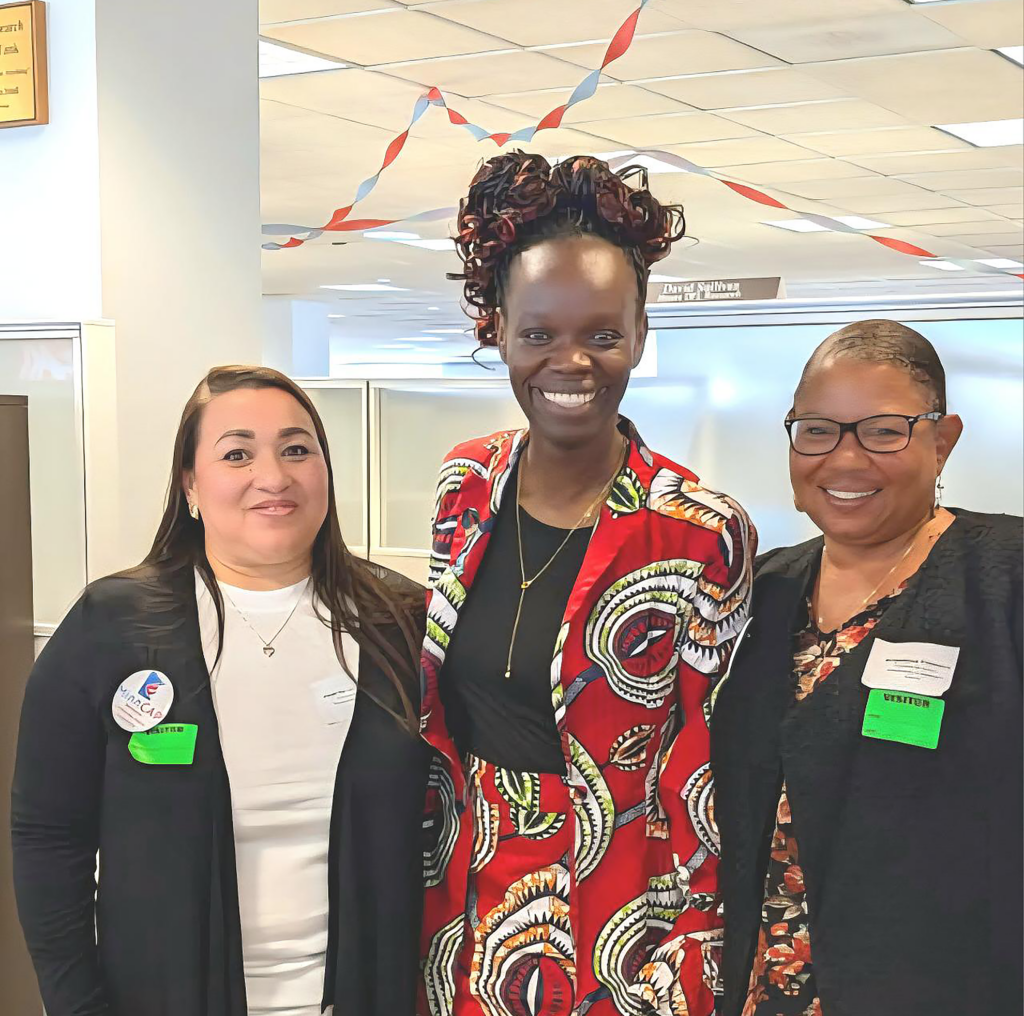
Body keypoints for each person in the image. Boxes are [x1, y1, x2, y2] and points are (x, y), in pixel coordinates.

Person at [417, 151, 756, 1016]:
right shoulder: (467, 481)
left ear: (641, 335)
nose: (571, 362)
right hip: (453, 901)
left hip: (619, 928)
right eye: (539, 334)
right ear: (498, 330)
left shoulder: (699, 530)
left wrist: (689, 969)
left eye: (602, 334)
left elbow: (707, 770)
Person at [12, 365, 428, 1016]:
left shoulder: (400, 622)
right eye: (237, 453)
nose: (274, 476)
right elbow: (48, 834)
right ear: (190, 485)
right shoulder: (113, 626)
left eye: (297, 449)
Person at [711, 321, 1023, 1016]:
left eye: (884, 431)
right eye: (817, 430)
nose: (844, 460)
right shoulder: (760, 590)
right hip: (765, 985)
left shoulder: (1004, 579)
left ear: (942, 441)